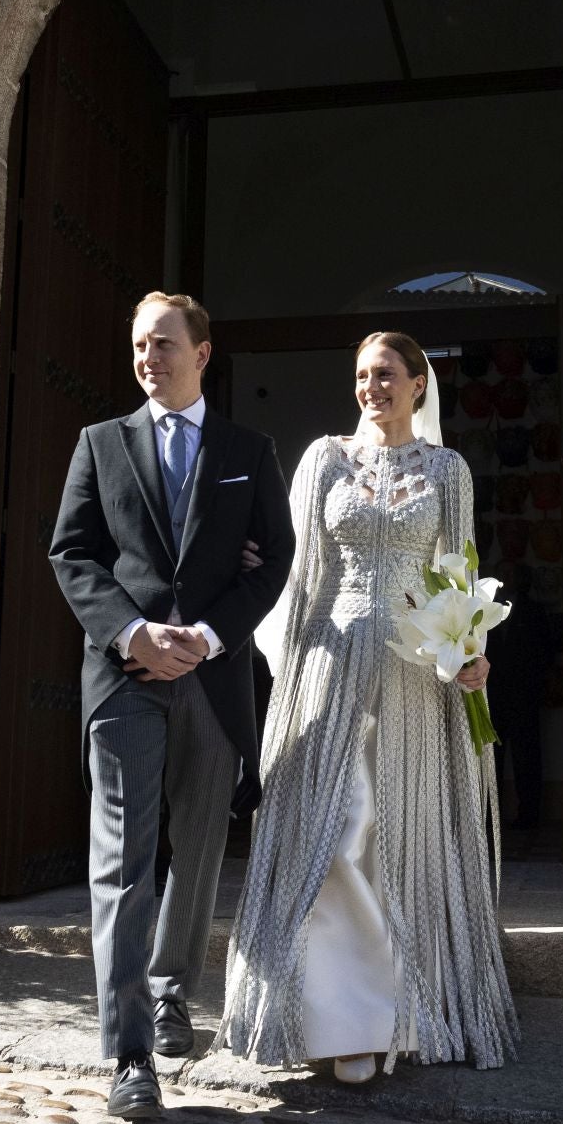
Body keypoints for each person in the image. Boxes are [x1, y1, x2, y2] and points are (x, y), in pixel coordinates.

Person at [218, 331, 519, 1084]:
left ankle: (400, 1015)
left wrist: (469, 651)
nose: (370, 387)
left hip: (416, 674)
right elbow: (298, 569)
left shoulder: (448, 471)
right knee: (338, 824)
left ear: (419, 384)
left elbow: (458, 575)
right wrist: (282, 651)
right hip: (331, 663)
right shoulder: (324, 460)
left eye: (385, 374)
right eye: (361, 375)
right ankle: (338, 1017)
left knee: (401, 829)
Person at [50, 292, 295, 1119]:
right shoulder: (99, 444)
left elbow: (275, 559)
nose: (148, 358)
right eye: (139, 346)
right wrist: (133, 633)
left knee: (197, 850)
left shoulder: (249, 451)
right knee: (124, 863)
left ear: (202, 353)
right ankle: (129, 1056)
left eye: (162, 344)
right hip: (125, 678)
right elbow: (72, 554)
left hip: (214, 683)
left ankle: (169, 993)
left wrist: (212, 636)